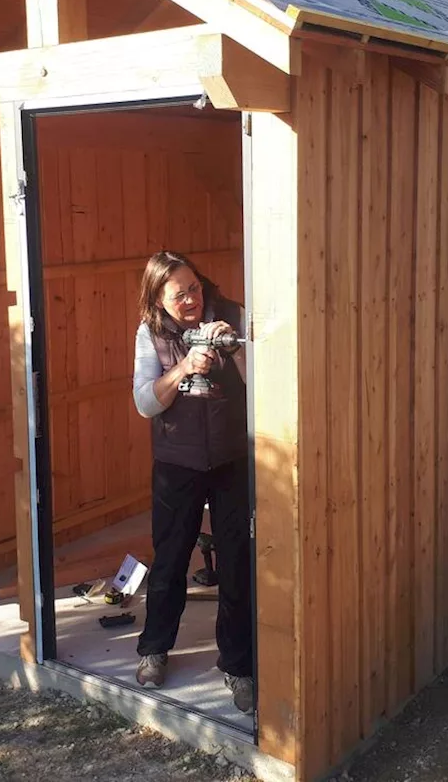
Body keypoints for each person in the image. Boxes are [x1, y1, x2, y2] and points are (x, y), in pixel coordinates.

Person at [130, 250, 253, 714]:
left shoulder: (234, 316)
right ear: (159, 298)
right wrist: (183, 368)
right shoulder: (151, 332)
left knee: (237, 564)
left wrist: (234, 347)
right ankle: (154, 650)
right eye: (179, 294)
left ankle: (239, 667)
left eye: (195, 288)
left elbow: (267, 381)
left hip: (231, 461)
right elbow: (146, 402)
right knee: (170, 560)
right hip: (177, 464)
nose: (191, 300)